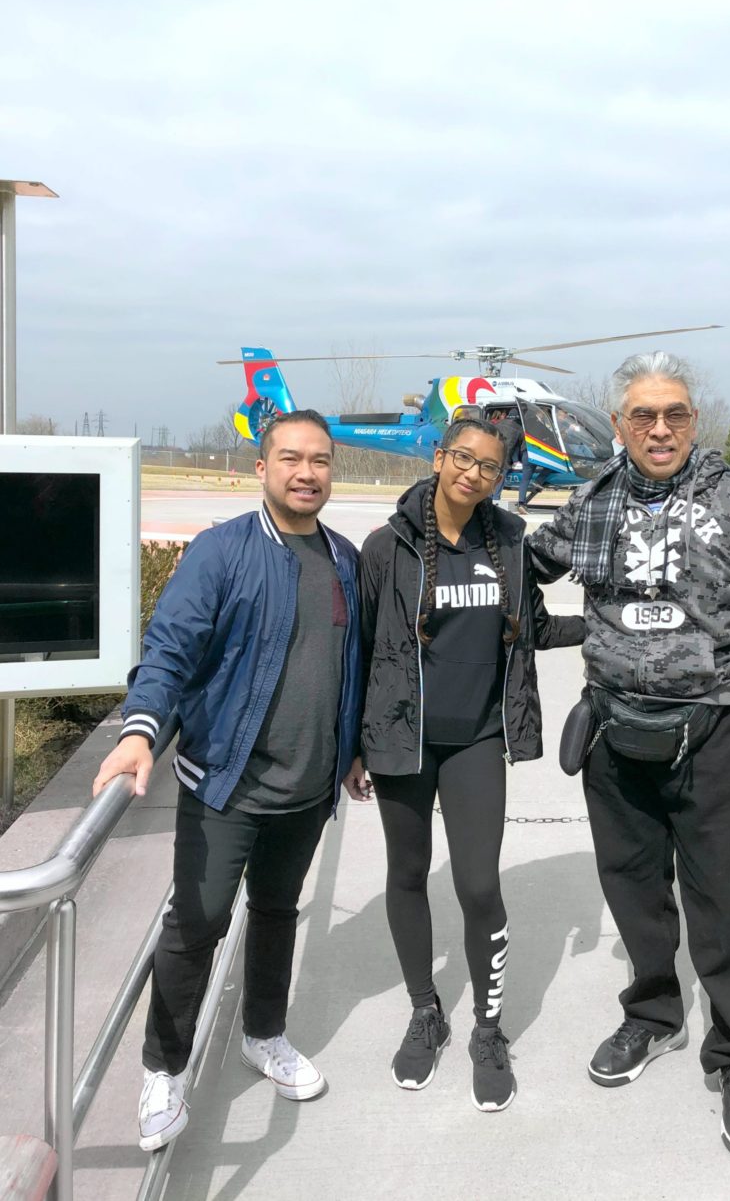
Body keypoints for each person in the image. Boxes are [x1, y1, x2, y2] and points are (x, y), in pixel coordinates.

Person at [528, 352, 730, 1160]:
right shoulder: (590, 503)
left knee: (726, 902)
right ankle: (652, 1014)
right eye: (643, 415)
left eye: (677, 415)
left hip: (712, 731)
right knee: (632, 890)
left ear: (695, 420)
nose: (660, 429)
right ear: (620, 422)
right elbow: (521, 571)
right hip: (613, 732)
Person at [92, 410, 362, 1152]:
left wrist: (356, 750)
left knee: (277, 912)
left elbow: (351, 666)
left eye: (320, 462)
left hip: (308, 791)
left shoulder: (344, 559)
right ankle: (164, 1070)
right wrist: (142, 728)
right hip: (226, 785)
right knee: (198, 922)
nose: (307, 473)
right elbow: (170, 647)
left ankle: (264, 1034)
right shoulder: (221, 552)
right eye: (291, 460)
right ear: (262, 469)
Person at [348, 417, 583, 1112]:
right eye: (463, 458)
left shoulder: (508, 540)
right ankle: (427, 1012)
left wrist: (604, 626)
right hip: (401, 737)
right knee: (408, 874)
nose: (472, 474)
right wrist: (353, 746)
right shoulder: (386, 547)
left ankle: (488, 1027)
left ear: (501, 474)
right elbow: (359, 648)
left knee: (480, 885)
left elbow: (531, 627)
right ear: (440, 455)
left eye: (489, 465)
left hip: (479, 739)